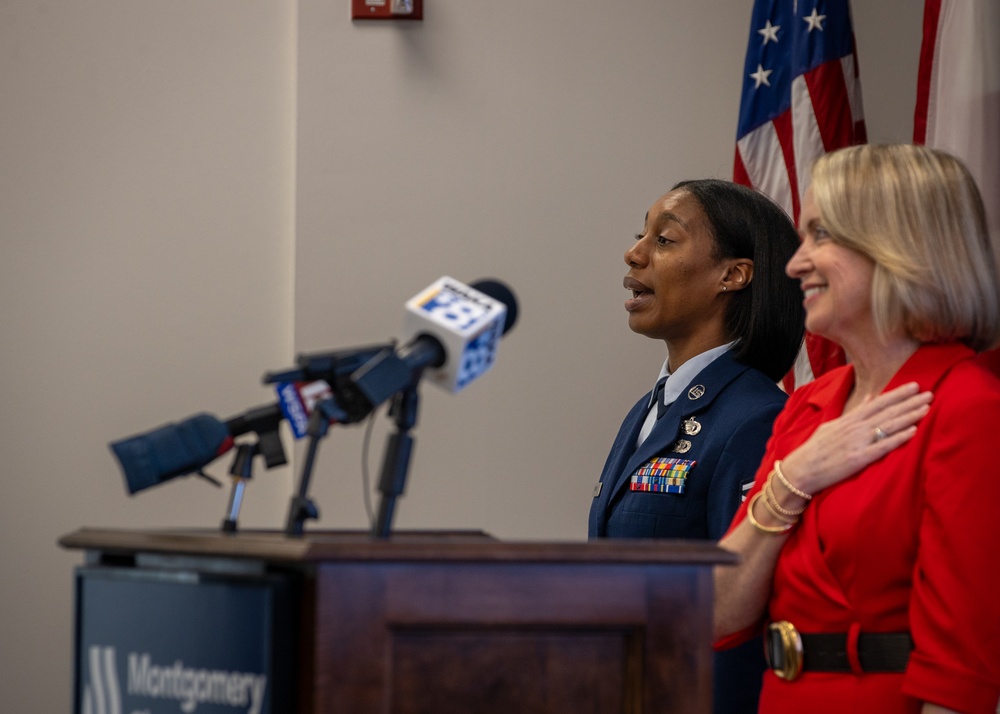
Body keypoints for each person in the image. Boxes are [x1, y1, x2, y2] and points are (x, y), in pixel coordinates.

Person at [714, 144, 1000, 713]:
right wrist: (792, 477)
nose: (795, 264)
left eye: (821, 235)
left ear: (901, 247)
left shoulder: (969, 406)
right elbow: (719, 608)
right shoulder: (809, 404)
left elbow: (961, 668)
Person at [588, 178, 805, 714]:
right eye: (642, 236)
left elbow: (741, 613)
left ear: (733, 275)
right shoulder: (650, 408)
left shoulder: (755, 419)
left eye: (664, 240)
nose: (633, 253)